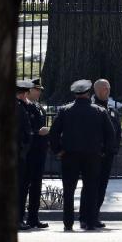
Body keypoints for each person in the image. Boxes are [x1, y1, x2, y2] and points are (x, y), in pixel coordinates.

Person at [49, 79, 116, 231]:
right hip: (92, 156)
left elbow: (54, 133)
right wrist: (103, 152)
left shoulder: (65, 110)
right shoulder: (99, 111)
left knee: (69, 189)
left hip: (69, 155)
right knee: (91, 188)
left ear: (75, 94)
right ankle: (90, 221)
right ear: (88, 93)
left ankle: (68, 222)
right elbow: (110, 135)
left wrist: (58, 150)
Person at [92, 79, 121, 228]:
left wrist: (114, 149)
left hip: (108, 155)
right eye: (104, 89)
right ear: (96, 90)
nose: (107, 91)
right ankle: (88, 216)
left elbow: (117, 132)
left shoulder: (112, 110)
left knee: (102, 186)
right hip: (94, 155)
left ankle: (95, 214)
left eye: (108, 88)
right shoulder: (92, 109)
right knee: (92, 186)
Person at [21, 78, 50, 229]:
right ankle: (20, 217)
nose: (39, 92)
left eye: (40, 90)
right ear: (29, 90)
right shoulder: (24, 107)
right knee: (24, 184)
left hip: (40, 151)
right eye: (36, 90)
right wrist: (38, 133)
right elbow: (23, 130)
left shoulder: (39, 106)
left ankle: (33, 217)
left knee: (36, 186)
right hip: (29, 152)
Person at [15, 81, 35, 231]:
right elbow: (26, 133)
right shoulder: (19, 108)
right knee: (19, 189)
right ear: (23, 93)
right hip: (18, 155)